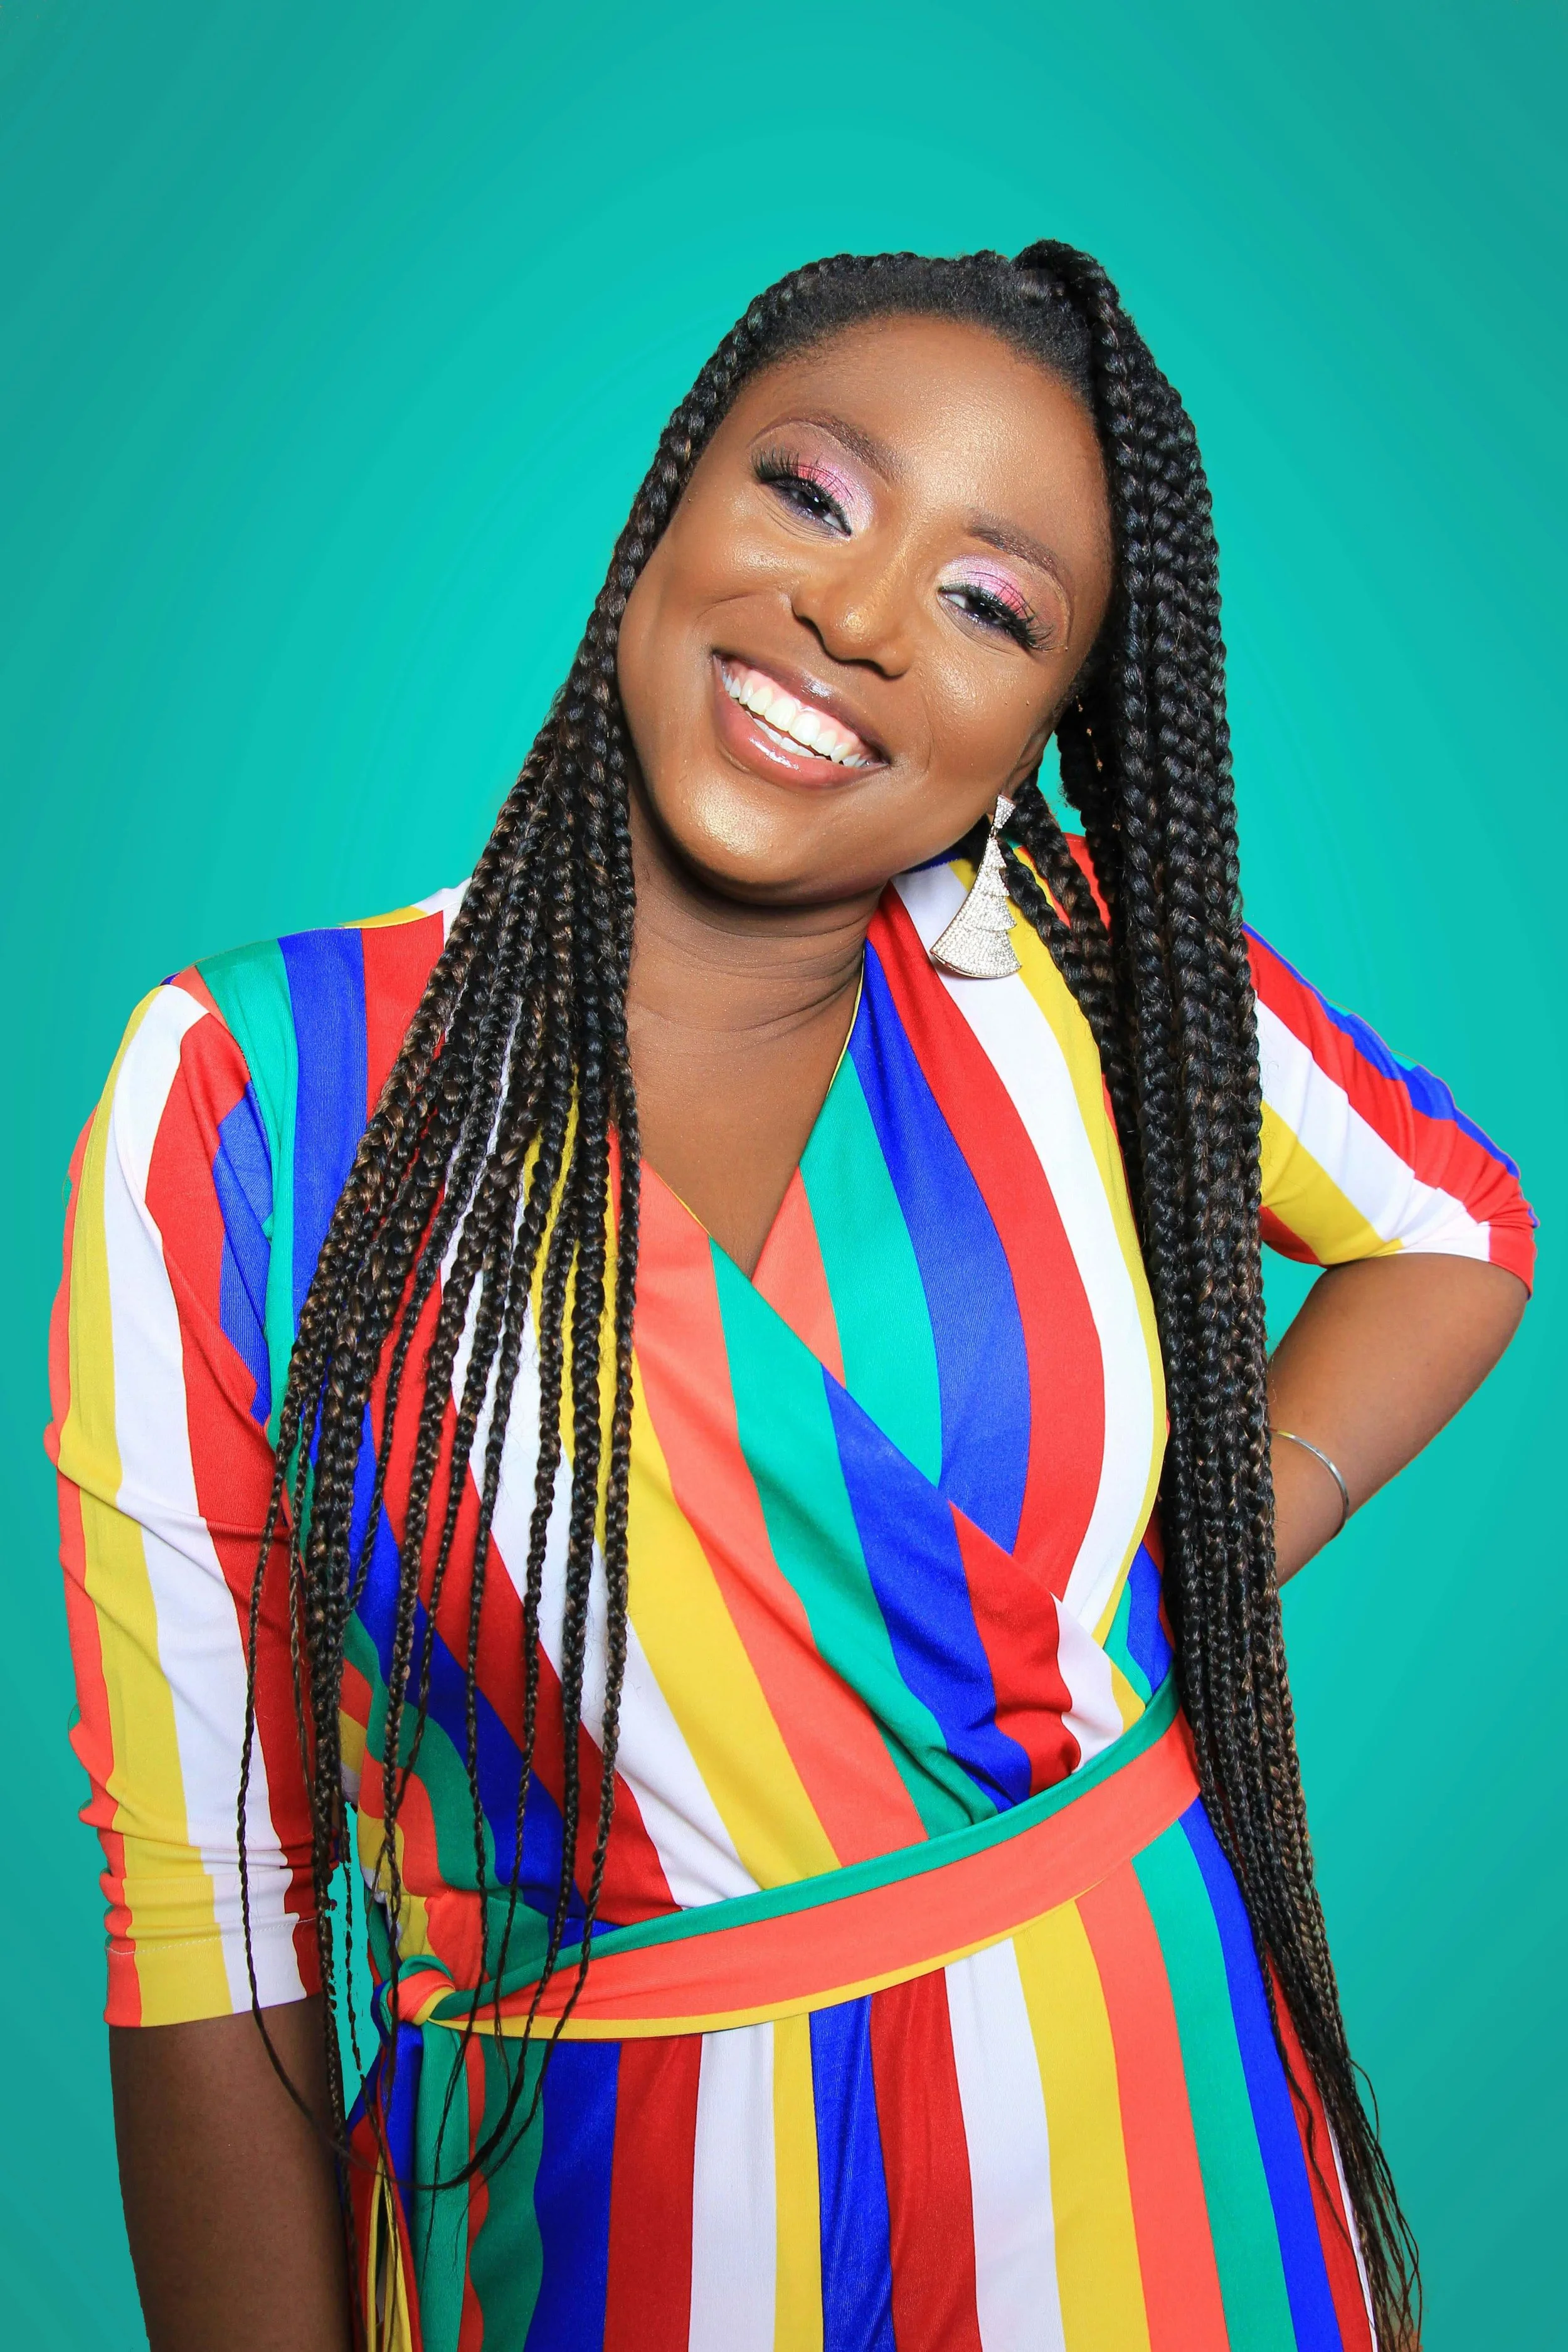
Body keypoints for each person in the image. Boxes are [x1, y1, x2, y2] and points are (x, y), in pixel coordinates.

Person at [50, 245, 1532, 2352]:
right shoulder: (254, 1096)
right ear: (669, 504)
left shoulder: (1065, 971)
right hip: (581, 2232)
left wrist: (1208, 1545)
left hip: (1162, 2172)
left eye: (989, 606)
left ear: (1039, 728)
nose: (855, 616)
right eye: (816, 496)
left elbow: (1453, 1226)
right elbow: (216, 1915)